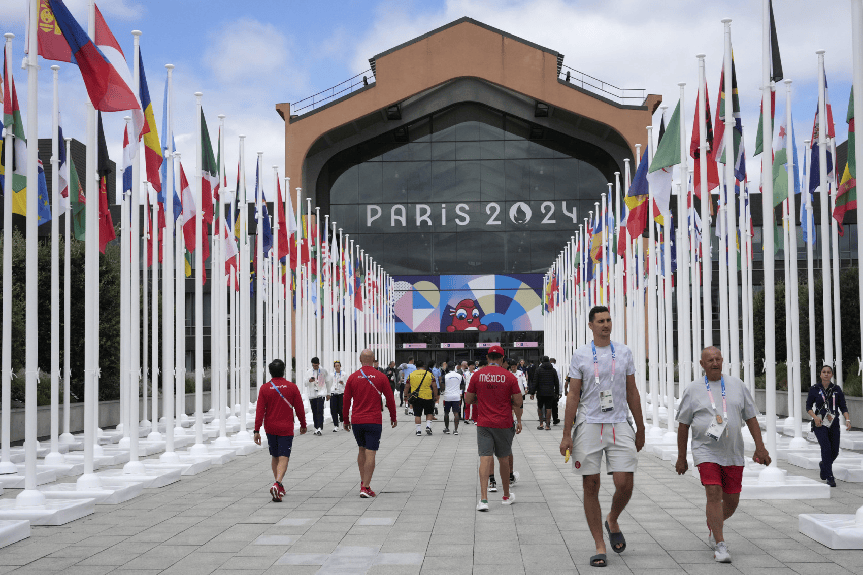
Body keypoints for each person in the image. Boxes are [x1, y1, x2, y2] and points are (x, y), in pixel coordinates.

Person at [559, 306, 645, 569]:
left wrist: (640, 427)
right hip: (589, 423)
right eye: (600, 321)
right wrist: (566, 434)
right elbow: (573, 395)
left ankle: (613, 518)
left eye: (608, 320)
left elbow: (632, 391)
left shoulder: (624, 352)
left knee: (625, 483)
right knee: (591, 485)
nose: (606, 324)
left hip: (619, 422)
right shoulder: (581, 354)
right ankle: (599, 544)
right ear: (590, 325)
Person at [675, 346, 771, 564]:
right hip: (705, 450)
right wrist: (681, 457)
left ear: (723, 361)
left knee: (732, 501)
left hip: (733, 451)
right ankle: (720, 544)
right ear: (702, 364)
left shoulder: (737, 385)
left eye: (718, 359)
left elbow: (751, 418)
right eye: (710, 360)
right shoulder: (693, 389)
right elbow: (683, 425)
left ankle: (713, 522)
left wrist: (760, 447)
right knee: (713, 492)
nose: (715, 363)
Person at [465, 345, 523, 511]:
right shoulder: (509, 377)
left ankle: (483, 500)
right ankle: (505, 496)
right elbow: (518, 402)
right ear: (502, 359)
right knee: (503, 458)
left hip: (483, 422)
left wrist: (481, 401)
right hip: (504, 423)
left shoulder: (477, 375)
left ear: (488, 358)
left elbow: (468, 399)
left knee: (485, 458)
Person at [343, 349, 398, 498]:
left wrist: (345, 420)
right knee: (371, 451)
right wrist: (393, 416)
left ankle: (363, 482)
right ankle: (365, 486)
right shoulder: (381, 377)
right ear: (373, 359)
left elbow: (346, 400)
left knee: (361, 450)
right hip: (373, 420)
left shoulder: (353, 377)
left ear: (360, 359)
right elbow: (390, 399)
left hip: (357, 420)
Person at [254, 359, 307, 502]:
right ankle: (277, 483)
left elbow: (260, 410)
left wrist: (256, 430)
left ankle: (279, 484)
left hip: (270, 427)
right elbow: (299, 408)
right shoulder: (291, 387)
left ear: (270, 372)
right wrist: (303, 423)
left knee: (275, 456)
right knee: (284, 456)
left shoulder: (264, 388)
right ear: (283, 370)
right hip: (285, 427)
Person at [806, 364, 852, 488]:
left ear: (831, 375)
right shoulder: (815, 389)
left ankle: (824, 465)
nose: (826, 374)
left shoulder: (836, 389)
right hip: (820, 423)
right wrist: (815, 418)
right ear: (820, 374)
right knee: (825, 448)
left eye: (829, 372)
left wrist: (847, 419)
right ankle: (830, 476)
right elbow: (808, 407)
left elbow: (843, 406)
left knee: (835, 451)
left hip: (834, 423)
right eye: (824, 372)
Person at [405, 359, 438, 436]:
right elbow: (434, 386)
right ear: (423, 366)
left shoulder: (411, 375)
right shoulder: (429, 374)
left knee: (417, 414)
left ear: (416, 366)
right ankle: (428, 426)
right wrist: (436, 396)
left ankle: (418, 431)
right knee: (429, 412)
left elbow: (407, 386)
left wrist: (405, 396)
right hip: (428, 396)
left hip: (416, 397)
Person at [530, 356, 560, 431]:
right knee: (549, 408)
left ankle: (541, 424)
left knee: (540, 407)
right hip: (550, 392)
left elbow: (535, 382)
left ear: (541, 362)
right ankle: (547, 425)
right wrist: (557, 392)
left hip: (540, 392)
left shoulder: (538, 370)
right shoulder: (553, 370)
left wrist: (532, 393)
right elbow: (557, 382)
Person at [305, 357, 329, 435]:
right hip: (312, 394)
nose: (315, 367)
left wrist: (328, 393)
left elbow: (327, 383)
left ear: (319, 364)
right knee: (314, 411)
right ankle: (316, 427)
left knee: (320, 411)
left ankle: (319, 428)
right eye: (313, 365)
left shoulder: (323, 371)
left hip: (321, 393)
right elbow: (305, 383)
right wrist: (309, 380)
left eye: (316, 365)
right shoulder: (308, 372)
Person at [442, 368, 464, 435]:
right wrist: (459, 392)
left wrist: (445, 390)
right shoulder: (459, 376)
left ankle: (447, 428)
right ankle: (455, 430)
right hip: (456, 397)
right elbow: (462, 385)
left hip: (447, 396)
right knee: (456, 413)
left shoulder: (445, 376)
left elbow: (442, 387)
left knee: (446, 413)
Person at [328, 361, 347, 433]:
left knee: (341, 409)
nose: (337, 367)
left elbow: (347, 384)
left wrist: (343, 383)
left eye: (338, 365)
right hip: (334, 393)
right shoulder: (332, 375)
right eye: (335, 366)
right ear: (334, 367)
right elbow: (329, 384)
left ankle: (342, 422)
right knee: (333, 410)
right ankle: (336, 425)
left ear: (340, 366)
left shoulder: (344, 374)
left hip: (341, 393)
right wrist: (329, 393)